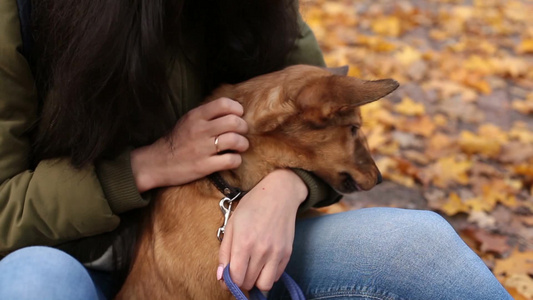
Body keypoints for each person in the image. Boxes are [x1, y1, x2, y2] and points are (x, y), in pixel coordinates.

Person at [0, 0, 511, 299]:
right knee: (33, 283)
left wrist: (287, 187)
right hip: (66, 262)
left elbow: (312, 119)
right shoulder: (19, 15)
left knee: (419, 245)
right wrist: (141, 168)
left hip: (226, 244)